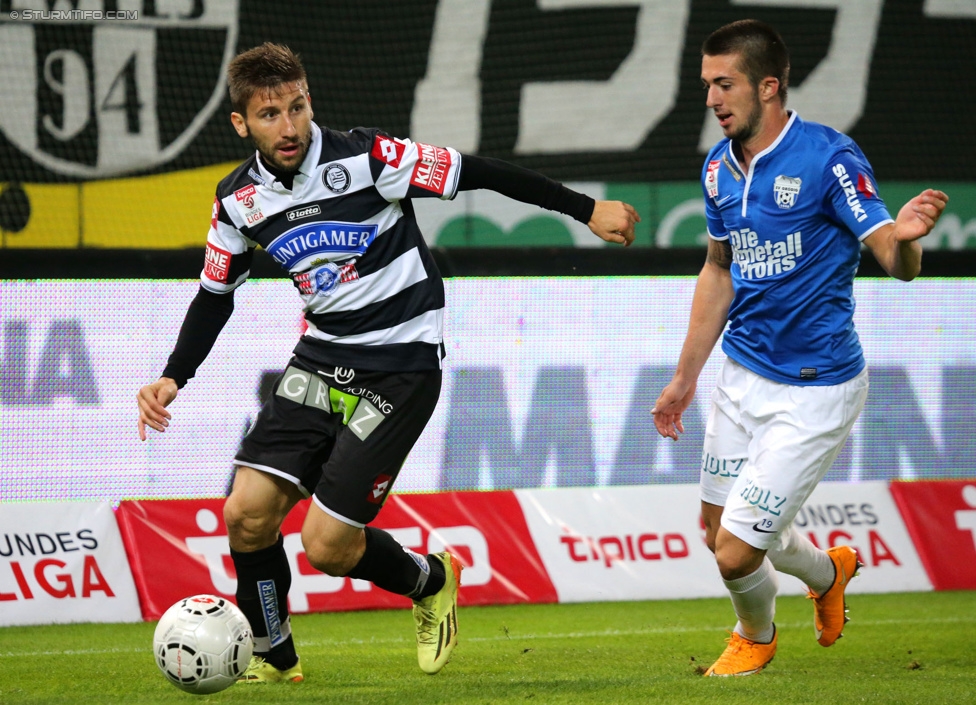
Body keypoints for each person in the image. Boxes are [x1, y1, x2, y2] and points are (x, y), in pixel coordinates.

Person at [136, 42, 639, 683]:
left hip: (400, 366)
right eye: (269, 115)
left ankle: (429, 580)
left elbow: (477, 170)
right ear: (241, 124)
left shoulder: (370, 157)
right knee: (246, 513)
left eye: (297, 107)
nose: (288, 127)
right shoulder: (237, 199)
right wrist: (174, 375)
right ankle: (272, 654)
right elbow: (215, 294)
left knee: (328, 548)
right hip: (319, 361)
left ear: (309, 98)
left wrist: (585, 208)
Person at [652, 20, 947, 677]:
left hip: (815, 390)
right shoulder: (716, 168)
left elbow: (893, 260)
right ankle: (829, 572)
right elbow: (718, 271)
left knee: (734, 552)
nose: (711, 100)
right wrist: (684, 378)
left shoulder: (829, 158)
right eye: (705, 85)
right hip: (739, 376)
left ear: (769, 86)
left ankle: (754, 636)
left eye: (723, 84)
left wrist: (909, 234)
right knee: (715, 531)